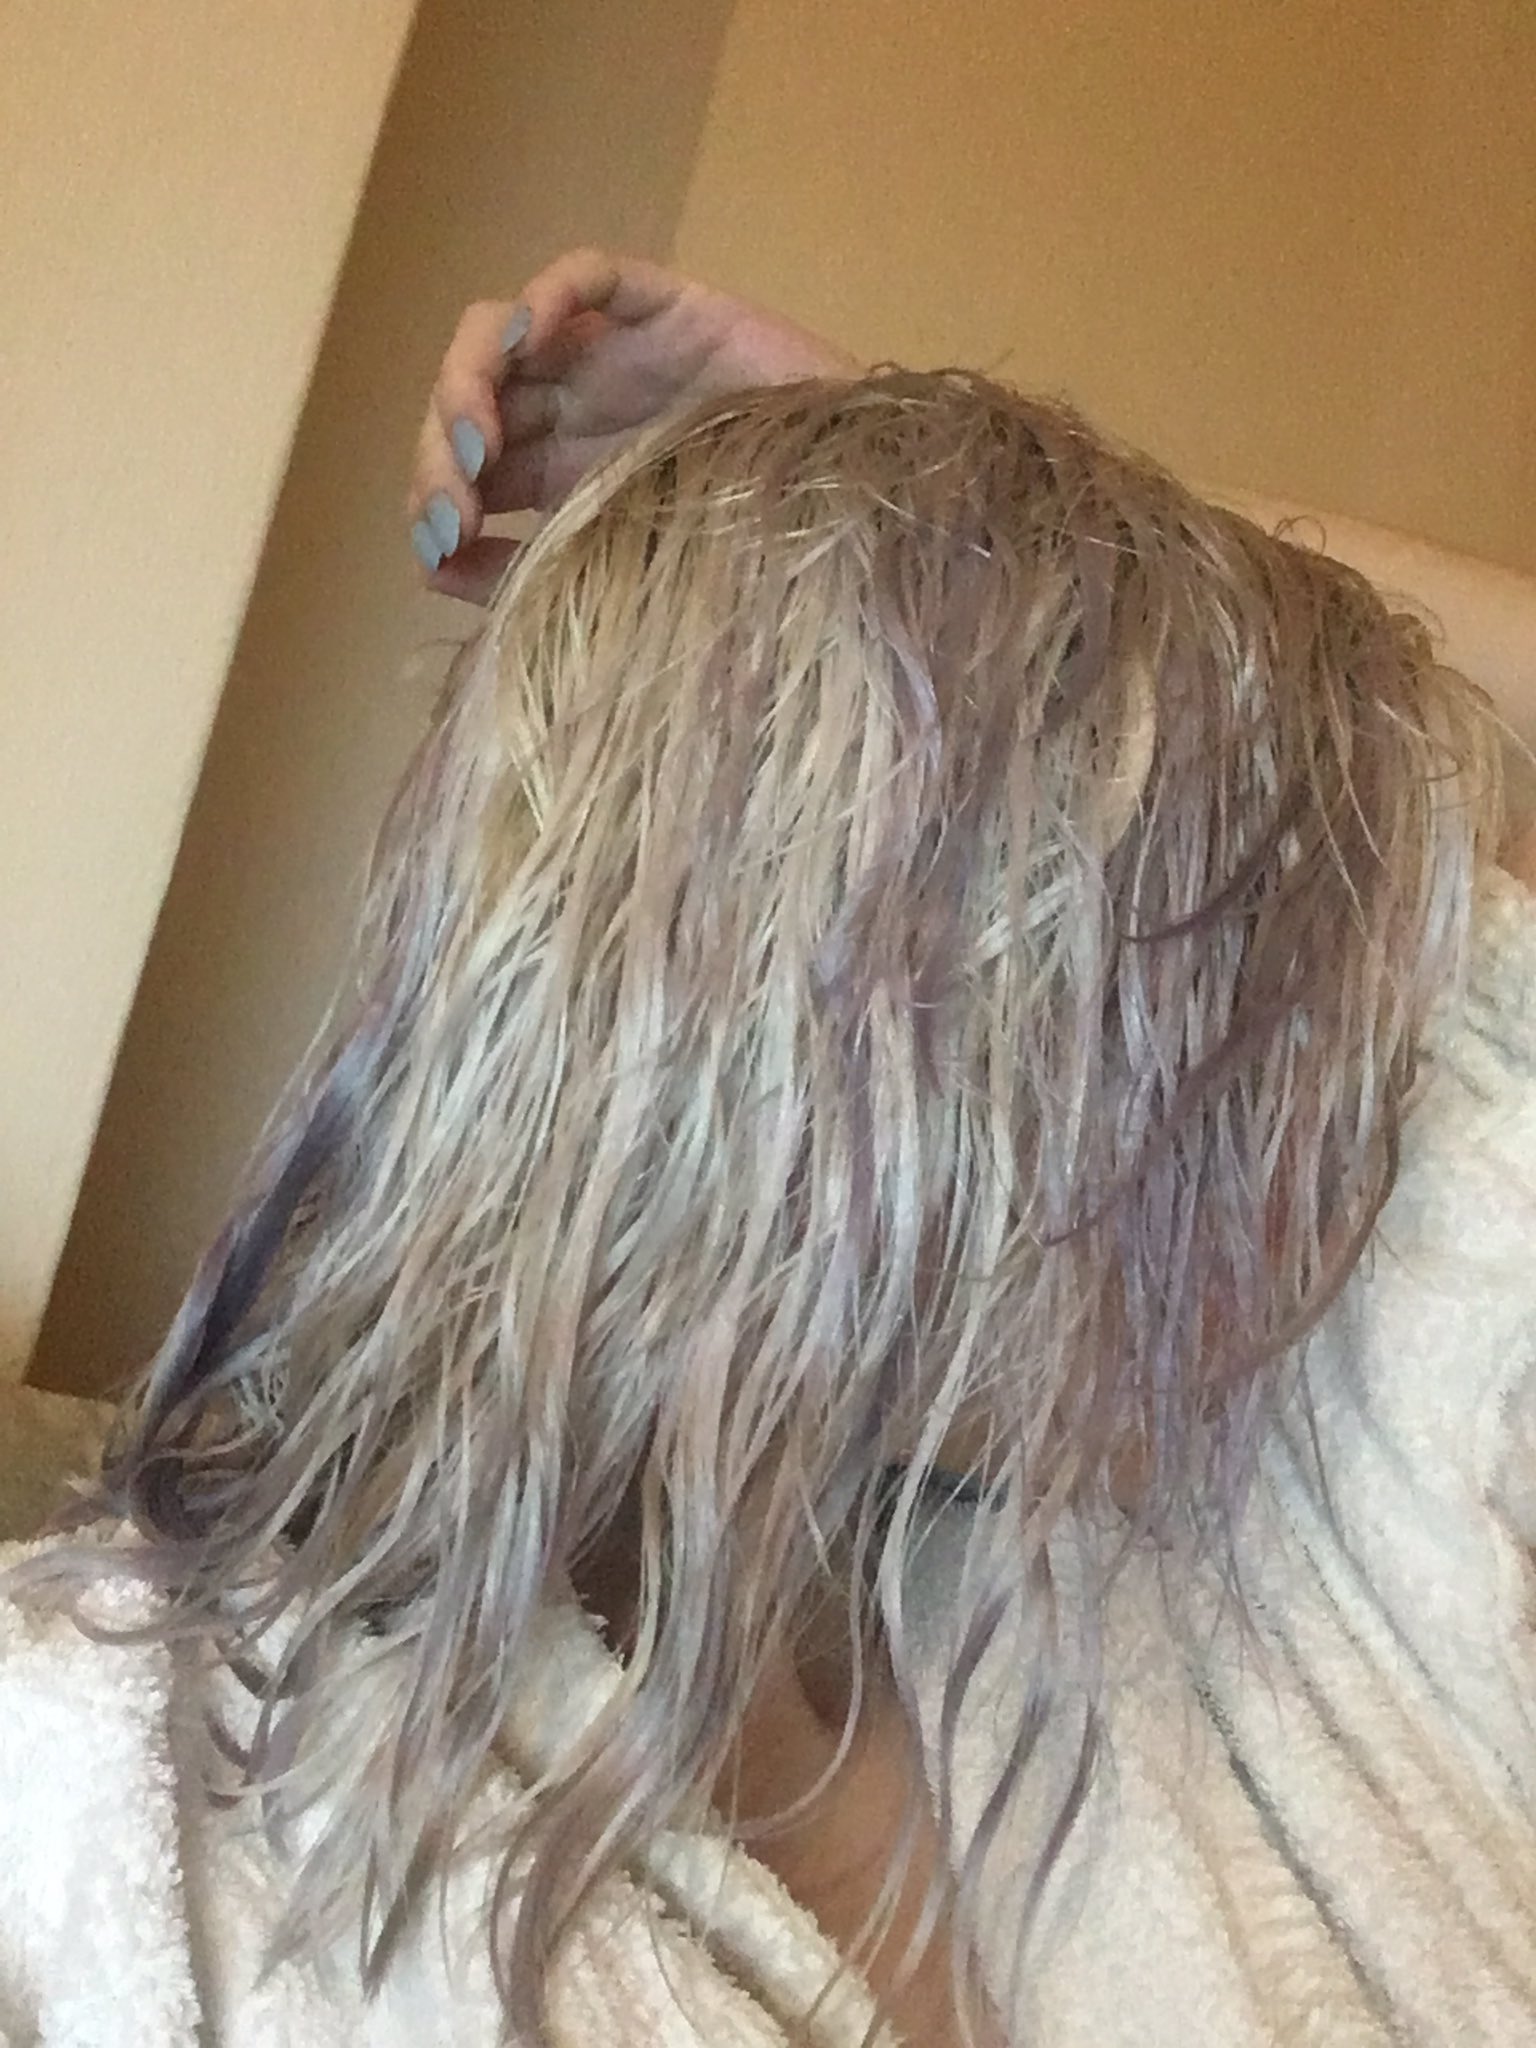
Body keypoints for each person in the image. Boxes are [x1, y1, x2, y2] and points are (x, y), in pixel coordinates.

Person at [3, 249, 1536, 2048]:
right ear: (865, 1056)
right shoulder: (101, 1803)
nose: (1335, 1180)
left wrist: (936, 484)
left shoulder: (1337, 1511)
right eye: (1253, 1056)